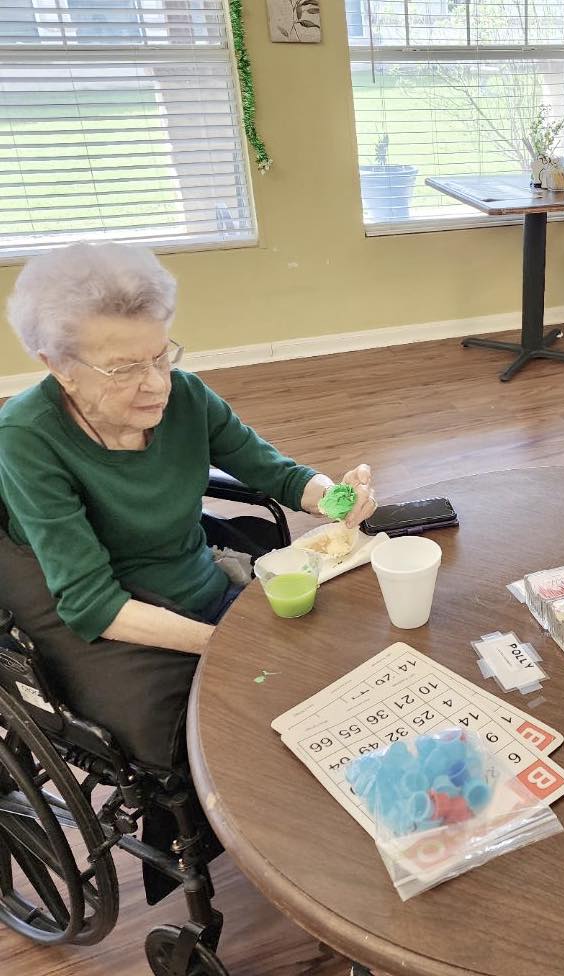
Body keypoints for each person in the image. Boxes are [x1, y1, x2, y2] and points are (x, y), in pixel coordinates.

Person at [0, 242, 377, 767]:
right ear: (59, 367)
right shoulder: (27, 437)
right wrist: (227, 643)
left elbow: (278, 473)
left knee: (330, 671)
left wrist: (338, 498)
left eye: (160, 356)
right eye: (124, 369)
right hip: (121, 629)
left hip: (204, 590)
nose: (156, 384)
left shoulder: (188, 396)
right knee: (250, 733)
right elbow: (93, 604)